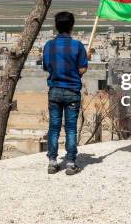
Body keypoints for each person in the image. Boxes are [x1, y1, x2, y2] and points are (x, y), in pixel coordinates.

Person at [42, 11, 88, 175]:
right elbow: (82, 68)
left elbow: (47, 67)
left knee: (53, 128)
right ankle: (70, 163)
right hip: (72, 91)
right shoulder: (78, 46)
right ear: (72, 26)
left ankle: (53, 162)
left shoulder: (49, 46)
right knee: (70, 128)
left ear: (56, 26)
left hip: (54, 91)